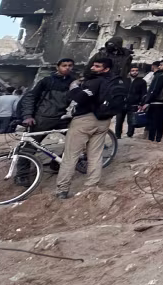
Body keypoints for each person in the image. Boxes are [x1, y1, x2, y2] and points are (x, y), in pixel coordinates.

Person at [55, 56, 124, 199]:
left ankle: (62, 189)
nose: (93, 68)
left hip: (85, 120)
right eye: (93, 65)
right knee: (95, 155)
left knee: (70, 156)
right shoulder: (115, 81)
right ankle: (91, 187)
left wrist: (74, 87)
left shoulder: (94, 81)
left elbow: (80, 98)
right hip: (104, 121)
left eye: (97, 66)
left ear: (106, 69)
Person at [20, 58, 78, 138]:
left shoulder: (74, 82)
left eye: (70, 66)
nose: (67, 68)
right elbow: (30, 97)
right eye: (64, 65)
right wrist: (28, 116)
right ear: (57, 67)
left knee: (75, 139)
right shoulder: (47, 81)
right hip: (42, 118)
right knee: (32, 142)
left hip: (62, 118)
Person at [116, 64, 146, 139]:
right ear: (129, 72)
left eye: (136, 71)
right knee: (119, 120)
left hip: (133, 104)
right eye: (133, 71)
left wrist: (141, 103)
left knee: (131, 120)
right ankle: (117, 135)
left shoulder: (142, 82)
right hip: (121, 104)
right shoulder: (124, 81)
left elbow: (144, 93)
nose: (134, 72)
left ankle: (130, 134)